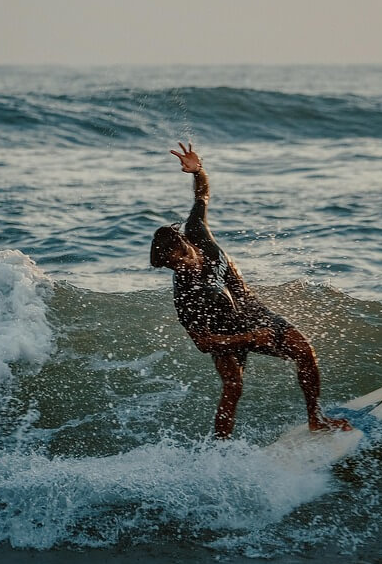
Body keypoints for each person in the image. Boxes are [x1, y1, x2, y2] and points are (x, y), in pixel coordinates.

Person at [150, 143, 351, 439]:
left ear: (185, 245)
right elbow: (203, 343)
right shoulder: (185, 293)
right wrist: (247, 338)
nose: (178, 270)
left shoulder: (197, 231)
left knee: (305, 351)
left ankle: (316, 418)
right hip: (224, 332)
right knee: (232, 388)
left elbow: (202, 194)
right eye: (170, 267)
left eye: (178, 262)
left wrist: (198, 170)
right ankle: (220, 449)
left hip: (250, 311)